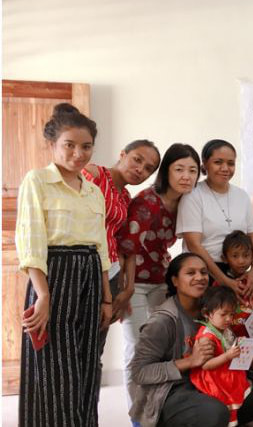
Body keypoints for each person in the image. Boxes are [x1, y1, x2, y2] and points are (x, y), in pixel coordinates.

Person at [16, 103, 111, 427]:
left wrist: (107, 297)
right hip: (53, 275)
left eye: (86, 146)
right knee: (55, 364)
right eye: (69, 145)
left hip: (91, 277)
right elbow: (32, 241)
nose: (78, 153)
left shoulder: (93, 191)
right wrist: (42, 295)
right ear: (52, 144)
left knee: (86, 362)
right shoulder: (37, 180)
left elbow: (101, 247)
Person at [130, 253, 253, 427]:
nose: (200, 277)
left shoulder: (214, 311)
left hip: (207, 381)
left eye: (204, 272)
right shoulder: (162, 321)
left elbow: (228, 354)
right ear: (175, 280)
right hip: (171, 390)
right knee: (216, 413)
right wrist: (190, 361)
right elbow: (139, 372)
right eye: (191, 273)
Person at [118, 143, 201, 409]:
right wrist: (127, 289)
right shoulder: (147, 201)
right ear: (166, 171)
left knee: (166, 344)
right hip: (134, 282)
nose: (186, 176)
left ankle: (161, 408)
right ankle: (137, 413)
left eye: (192, 170)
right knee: (138, 349)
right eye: (179, 169)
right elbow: (128, 248)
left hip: (160, 280)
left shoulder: (187, 202)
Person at [82, 139, 161, 381]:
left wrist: (128, 287)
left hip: (111, 273)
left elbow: (126, 244)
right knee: (73, 347)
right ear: (122, 154)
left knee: (94, 349)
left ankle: (87, 404)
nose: (140, 169)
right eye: (137, 159)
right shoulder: (94, 174)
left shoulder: (126, 197)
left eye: (148, 169)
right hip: (81, 269)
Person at [190, 285, 253, 427]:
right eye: (223, 314)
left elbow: (230, 348)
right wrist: (227, 356)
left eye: (231, 314)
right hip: (215, 379)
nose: (228, 319)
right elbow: (205, 365)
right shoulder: (206, 337)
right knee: (231, 403)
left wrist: (238, 344)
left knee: (252, 396)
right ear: (207, 313)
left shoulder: (224, 329)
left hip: (227, 374)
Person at [177, 140, 253, 299]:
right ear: (205, 164)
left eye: (231, 163)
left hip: (238, 273)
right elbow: (194, 245)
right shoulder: (192, 195)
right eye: (218, 162)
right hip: (203, 274)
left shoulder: (241, 195)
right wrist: (224, 280)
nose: (225, 168)